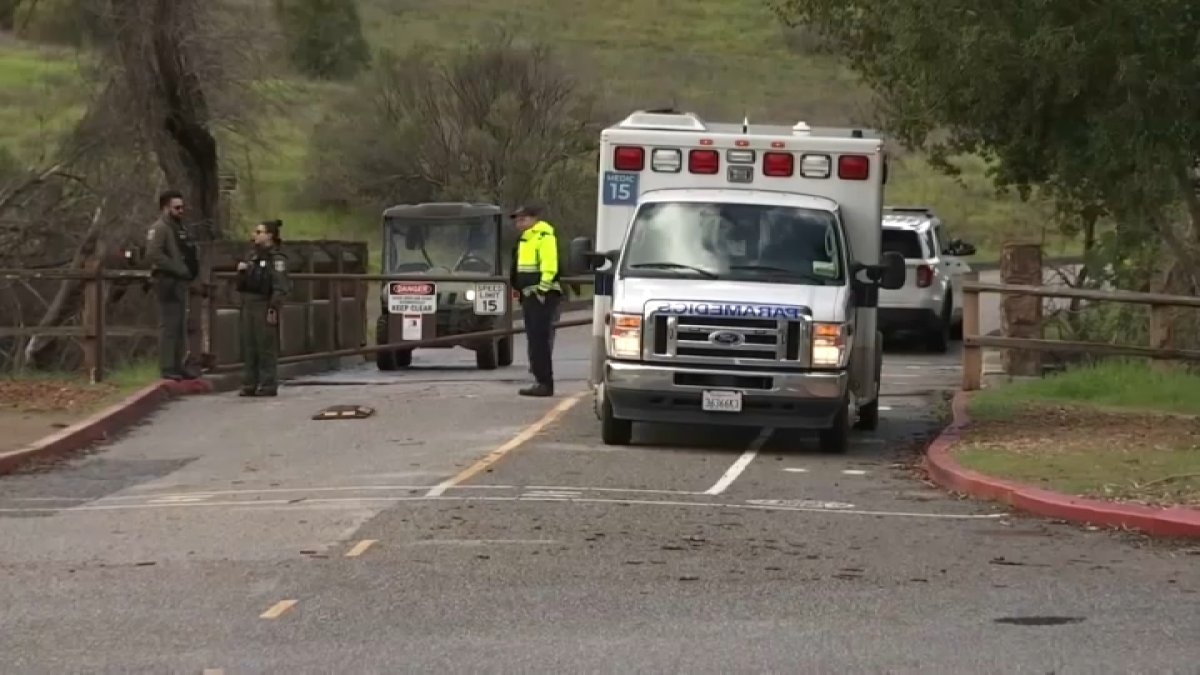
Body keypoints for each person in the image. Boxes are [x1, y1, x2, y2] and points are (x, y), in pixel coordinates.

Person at [145, 189, 199, 381]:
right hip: (166, 280)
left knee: (179, 325)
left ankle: (179, 364)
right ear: (165, 208)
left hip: (179, 281)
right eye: (177, 207)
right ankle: (167, 366)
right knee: (169, 325)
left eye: (182, 207)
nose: (181, 210)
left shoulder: (179, 227)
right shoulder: (159, 228)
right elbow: (153, 254)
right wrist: (178, 268)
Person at [509, 203, 561, 397]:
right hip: (530, 295)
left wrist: (542, 289)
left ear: (533, 219)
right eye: (517, 219)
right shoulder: (526, 239)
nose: (519, 223)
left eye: (523, 219)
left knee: (539, 339)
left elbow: (550, 264)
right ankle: (540, 380)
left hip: (540, 296)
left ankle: (545, 383)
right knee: (534, 339)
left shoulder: (542, 236)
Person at [235, 219, 291, 397]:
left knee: (265, 345)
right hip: (249, 303)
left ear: (270, 235)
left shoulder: (277, 259)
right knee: (249, 345)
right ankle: (249, 382)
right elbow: (243, 284)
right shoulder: (252, 256)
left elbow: (280, 285)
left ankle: (267, 383)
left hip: (264, 303)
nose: (255, 235)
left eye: (259, 232)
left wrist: (273, 308)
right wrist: (242, 272)